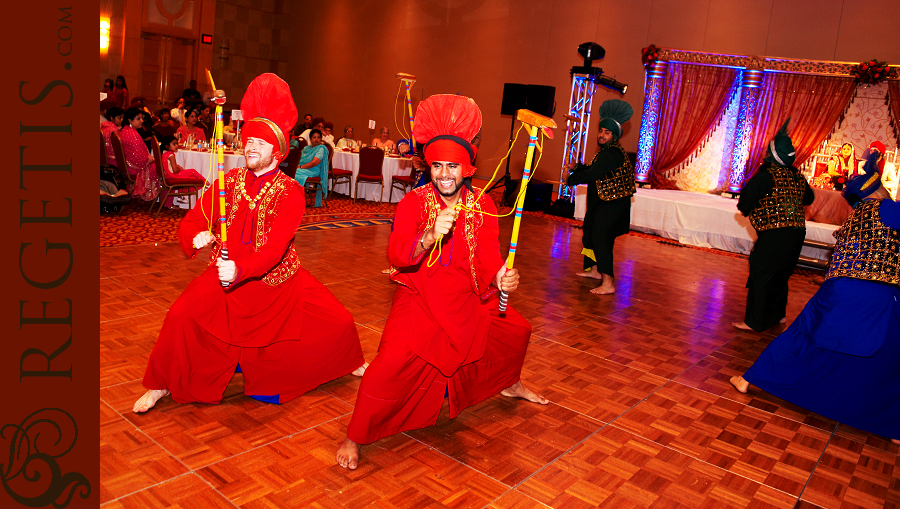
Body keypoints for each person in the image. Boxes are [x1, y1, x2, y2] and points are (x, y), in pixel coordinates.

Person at [335, 94, 547, 471]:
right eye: (437, 166)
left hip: (465, 299)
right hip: (419, 297)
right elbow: (399, 256)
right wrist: (429, 236)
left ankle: (508, 381)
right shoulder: (413, 203)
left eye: (453, 166)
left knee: (517, 330)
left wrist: (502, 276)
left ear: (466, 169)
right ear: (428, 166)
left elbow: (489, 257)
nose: (444, 173)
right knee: (389, 364)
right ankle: (355, 433)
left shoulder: (483, 204)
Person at [133, 73, 366, 414]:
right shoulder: (229, 181)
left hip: (276, 281)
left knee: (341, 322)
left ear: (278, 151)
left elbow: (273, 251)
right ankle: (162, 383)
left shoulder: (291, 193)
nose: (250, 148)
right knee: (180, 315)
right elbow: (194, 219)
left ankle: (349, 362)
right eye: (249, 141)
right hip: (224, 274)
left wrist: (240, 269)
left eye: (259, 143)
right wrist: (195, 236)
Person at [730, 155, 900, 444]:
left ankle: (747, 380)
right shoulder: (890, 210)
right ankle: (893, 425)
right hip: (878, 294)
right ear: (880, 190)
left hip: (838, 289)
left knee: (804, 336)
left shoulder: (857, 215)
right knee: (890, 352)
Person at [733, 119, 815, 332]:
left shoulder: (765, 176)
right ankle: (778, 314)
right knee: (782, 274)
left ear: (771, 155)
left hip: (774, 234)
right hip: (797, 232)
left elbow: (744, 203)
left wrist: (749, 208)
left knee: (761, 274)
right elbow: (809, 199)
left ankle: (754, 321)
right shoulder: (797, 177)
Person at [564, 99, 635, 295]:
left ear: (615, 136)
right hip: (603, 202)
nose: (602, 135)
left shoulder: (612, 154)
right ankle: (595, 271)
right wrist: (577, 167)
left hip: (612, 205)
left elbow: (592, 175)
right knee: (591, 234)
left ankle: (608, 282)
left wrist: (571, 179)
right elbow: (594, 170)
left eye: (607, 132)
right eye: (602, 130)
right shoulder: (605, 152)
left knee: (601, 239)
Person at [120, 107, 159, 202]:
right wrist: (155, 159)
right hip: (135, 169)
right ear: (130, 120)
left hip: (128, 166)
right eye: (138, 118)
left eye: (142, 118)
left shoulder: (126, 130)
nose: (142, 121)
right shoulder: (131, 134)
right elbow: (142, 160)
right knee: (163, 166)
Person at [159, 135, 206, 208]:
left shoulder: (164, 153)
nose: (177, 145)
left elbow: (169, 166)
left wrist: (177, 167)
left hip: (167, 175)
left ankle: (181, 194)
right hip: (172, 176)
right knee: (192, 172)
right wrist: (179, 169)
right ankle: (204, 182)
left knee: (188, 175)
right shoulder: (171, 155)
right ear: (167, 146)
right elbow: (174, 170)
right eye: (174, 144)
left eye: (177, 143)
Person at [293, 128, 329, 208]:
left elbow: (314, 163)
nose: (316, 139)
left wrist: (300, 167)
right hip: (303, 169)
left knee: (295, 173)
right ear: (310, 138)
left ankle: (297, 200)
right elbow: (299, 159)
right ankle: (293, 198)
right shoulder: (306, 149)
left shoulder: (321, 148)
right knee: (291, 172)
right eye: (314, 137)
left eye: (318, 137)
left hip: (313, 171)